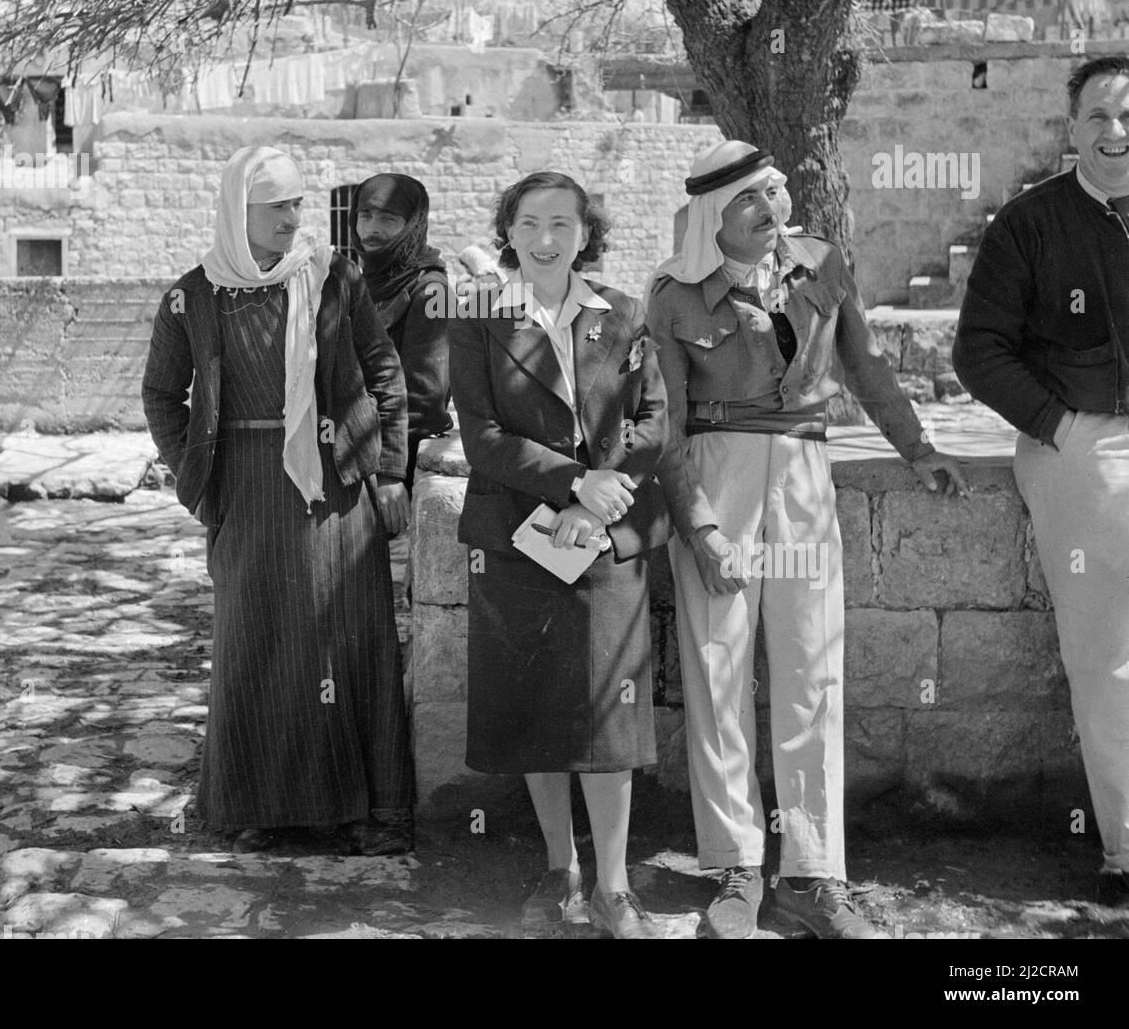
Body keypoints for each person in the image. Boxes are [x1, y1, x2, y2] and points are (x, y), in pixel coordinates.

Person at [648, 139, 969, 940]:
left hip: (803, 471)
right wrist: (702, 526)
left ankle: (815, 873)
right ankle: (731, 869)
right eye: (750, 201)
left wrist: (917, 446)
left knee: (811, 672)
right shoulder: (673, 295)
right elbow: (666, 426)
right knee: (718, 672)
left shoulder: (822, 264)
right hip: (718, 476)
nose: (771, 211)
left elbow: (866, 365)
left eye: (775, 194)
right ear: (713, 216)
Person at [142, 146, 415, 856]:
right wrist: (197, 477)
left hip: (337, 488)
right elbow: (160, 395)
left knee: (350, 645)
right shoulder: (193, 296)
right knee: (256, 643)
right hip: (247, 490)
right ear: (240, 211)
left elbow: (384, 371)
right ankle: (257, 806)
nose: (295, 219)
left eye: (300, 203)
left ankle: (369, 810)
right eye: (278, 207)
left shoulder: (333, 280)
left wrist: (387, 470)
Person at [448, 172, 672, 939]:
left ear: (587, 232)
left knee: (609, 713)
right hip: (520, 534)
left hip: (608, 538)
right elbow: (482, 435)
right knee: (537, 707)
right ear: (507, 230)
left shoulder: (627, 313)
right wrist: (575, 482)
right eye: (530, 223)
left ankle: (614, 886)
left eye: (563, 225)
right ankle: (560, 868)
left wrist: (601, 497)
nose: (546, 239)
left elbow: (653, 419)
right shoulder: (478, 314)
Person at [953, 55, 1129, 907]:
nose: (1116, 130)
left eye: (1128, 114)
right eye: (1097, 115)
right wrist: (1059, 428)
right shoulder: (1028, 225)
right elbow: (978, 349)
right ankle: (1126, 854)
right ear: (1071, 129)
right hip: (1083, 449)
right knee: (1109, 661)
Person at [350, 173, 451, 488]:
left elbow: (424, 402)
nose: (372, 229)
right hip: (351, 458)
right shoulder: (361, 283)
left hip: (392, 475)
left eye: (388, 218)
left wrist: (390, 473)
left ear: (413, 224)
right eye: (365, 216)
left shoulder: (432, 291)